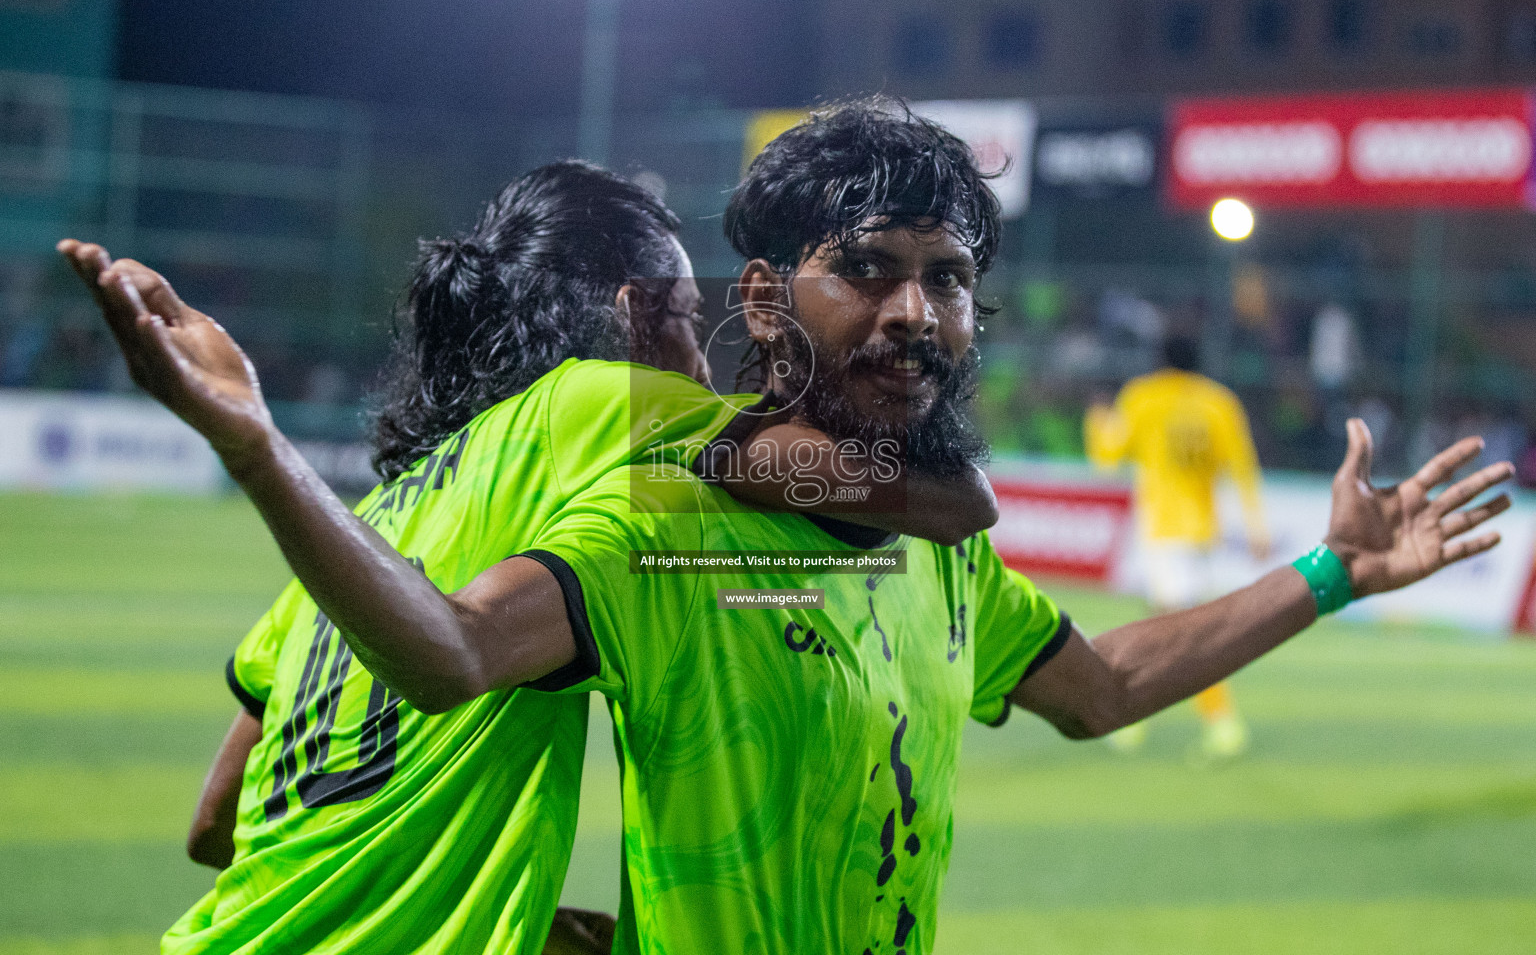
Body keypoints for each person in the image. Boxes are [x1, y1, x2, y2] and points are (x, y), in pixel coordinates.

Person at [71, 100, 1513, 955]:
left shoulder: (933, 544)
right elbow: (459, 647)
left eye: (949, 279)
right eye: (868, 272)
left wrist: (1334, 571)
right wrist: (252, 442)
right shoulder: (661, 499)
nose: (918, 309)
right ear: (756, 303)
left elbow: (1106, 686)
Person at [59, 160, 995, 955]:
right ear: (638, 316)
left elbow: (215, 825)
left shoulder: (374, 525)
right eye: (687, 314)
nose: (704, 367)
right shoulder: (600, 407)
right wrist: (969, 493)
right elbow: (923, 497)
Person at [1084, 334, 1270, 759]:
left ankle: (1222, 724)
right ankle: (1132, 716)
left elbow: (1108, 460)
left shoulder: (1143, 397)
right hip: (1204, 534)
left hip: (1164, 531)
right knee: (1162, 626)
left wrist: (1096, 421)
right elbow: (1242, 467)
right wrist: (1257, 527)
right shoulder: (1219, 402)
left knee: (1181, 633)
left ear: (1159, 358)